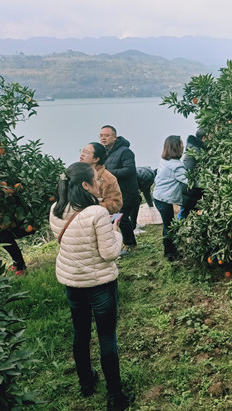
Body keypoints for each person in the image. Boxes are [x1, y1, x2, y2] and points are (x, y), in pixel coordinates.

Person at [49, 162, 134, 410]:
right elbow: (109, 253)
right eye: (97, 180)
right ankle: (115, 396)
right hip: (99, 285)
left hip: (72, 283)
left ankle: (86, 383)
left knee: (81, 332)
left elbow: (62, 240)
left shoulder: (55, 209)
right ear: (85, 185)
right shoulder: (96, 213)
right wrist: (115, 231)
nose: (100, 184)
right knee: (107, 336)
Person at [99, 125, 140, 256]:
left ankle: (129, 244)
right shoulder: (104, 152)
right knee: (118, 218)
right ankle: (126, 242)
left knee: (120, 218)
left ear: (115, 137)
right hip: (114, 193)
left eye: (106, 135)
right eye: (101, 135)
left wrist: (107, 173)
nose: (103, 138)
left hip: (126, 192)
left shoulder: (125, 151)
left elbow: (129, 170)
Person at [153, 136, 187, 261]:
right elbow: (190, 181)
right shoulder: (176, 166)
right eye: (181, 144)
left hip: (159, 196)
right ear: (176, 147)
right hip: (164, 199)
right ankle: (170, 254)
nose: (183, 146)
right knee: (169, 227)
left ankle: (170, 251)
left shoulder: (165, 160)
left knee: (168, 225)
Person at [79, 142, 123, 214]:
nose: (82, 154)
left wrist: (91, 207)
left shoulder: (108, 179)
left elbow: (116, 204)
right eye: (82, 151)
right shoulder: (77, 173)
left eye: (87, 152)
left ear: (96, 159)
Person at [178, 128, 206, 219]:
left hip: (189, 189)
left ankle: (175, 230)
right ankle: (174, 231)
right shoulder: (198, 151)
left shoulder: (194, 148)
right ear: (204, 138)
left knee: (183, 212)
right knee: (184, 213)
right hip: (190, 189)